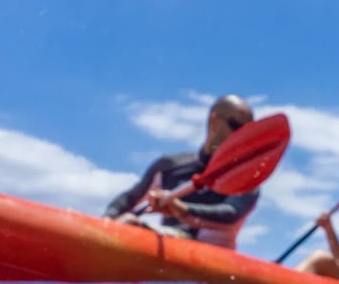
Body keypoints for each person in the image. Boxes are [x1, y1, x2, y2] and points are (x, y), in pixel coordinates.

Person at [104, 94, 257, 250]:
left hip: (210, 259)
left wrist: (182, 209)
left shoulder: (249, 176)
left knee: (131, 223)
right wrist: (107, 221)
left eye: (249, 131)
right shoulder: (170, 165)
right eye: (238, 127)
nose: (243, 136)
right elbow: (129, 198)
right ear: (214, 122)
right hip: (166, 246)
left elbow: (232, 213)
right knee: (126, 221)